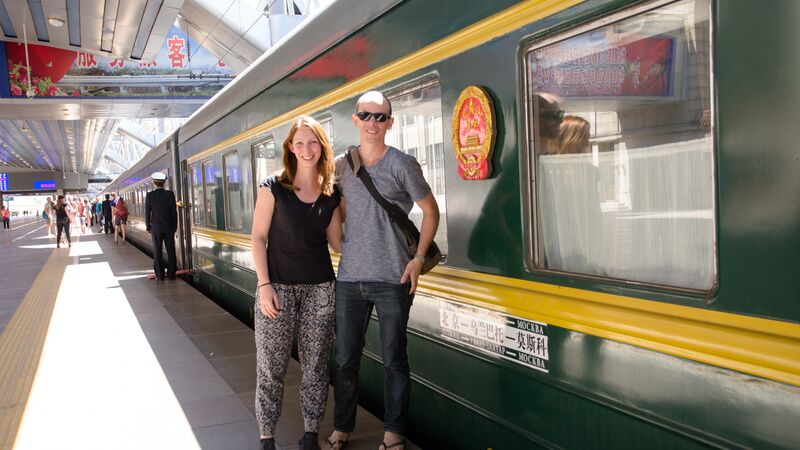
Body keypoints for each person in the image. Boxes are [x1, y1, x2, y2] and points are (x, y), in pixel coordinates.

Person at [327, 91, 439, 450]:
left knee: (394, 359)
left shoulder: (403, 164)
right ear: (355, 120)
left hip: (394, 278)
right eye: (366, 115)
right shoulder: (342, 167)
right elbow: (340, 213)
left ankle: (393, 433)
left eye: (381, 117)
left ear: (390, 123)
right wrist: (335, 243)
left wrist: (418, 259)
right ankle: (342, 426)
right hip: (349, 279)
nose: (373, 122)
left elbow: (430, 212)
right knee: (345, 359)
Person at [251, 116, 343, 450]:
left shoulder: (331, 192)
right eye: (300, 143)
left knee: (316, 366)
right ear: (291, 147)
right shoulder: (272, 187)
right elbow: (258, 238)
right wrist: (264, 285)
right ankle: (267, 437)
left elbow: (337, 243)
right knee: (271, 366)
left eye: (313, 142)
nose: (307, 149)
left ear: (322, 146)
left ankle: (309, 435)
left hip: (320, 289)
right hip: (277, 288)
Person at [145, 172, 178, 280]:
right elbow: (174, 212)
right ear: (164, 183)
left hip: (156, 227)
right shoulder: (170, 194)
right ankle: (171, 274)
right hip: (169, 227)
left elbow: (147, 212)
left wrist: (148, 226)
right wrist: (175, 226)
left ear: (154, 183)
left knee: (157, 251)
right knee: (171, 250)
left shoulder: (150, 195)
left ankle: (160, 275)